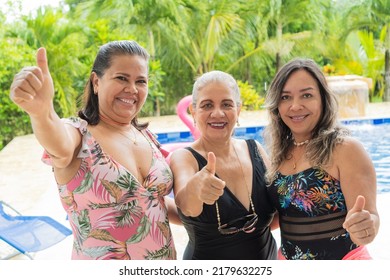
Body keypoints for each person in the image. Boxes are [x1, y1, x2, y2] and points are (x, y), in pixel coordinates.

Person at [9, 40, 179, 260]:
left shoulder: (147, 138)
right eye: (121, 78)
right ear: (96, 82)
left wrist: (206, 211)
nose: (132, 89)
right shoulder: (79, 136)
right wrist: (42, 113)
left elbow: (156, 203)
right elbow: (58, 146)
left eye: (141, 81)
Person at [263, 58, 380, 260]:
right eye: (285, 97)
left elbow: (370, 217)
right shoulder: (279, 153)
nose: (295, 106)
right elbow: (281, 214)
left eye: (307, 95)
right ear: (276, 105)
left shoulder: (345, 149)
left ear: (323, 99)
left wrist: (366, 226)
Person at [169, 70, 278, 260]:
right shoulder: (184, 157)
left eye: (226, 104)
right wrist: (196, 189)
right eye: (207, 105)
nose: (217, 113)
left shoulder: (255, 149)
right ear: (194, 112)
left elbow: (279, 210)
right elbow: (187, 205)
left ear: (238, 110)